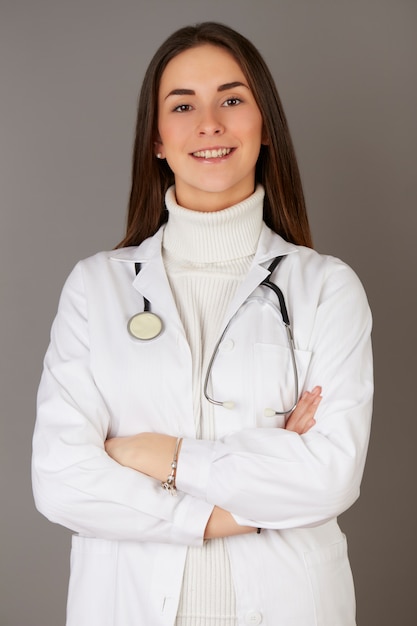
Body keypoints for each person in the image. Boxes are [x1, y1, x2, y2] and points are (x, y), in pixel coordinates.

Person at [32, 22, 373, 626]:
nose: (209, 122)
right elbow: (61, 480)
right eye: (182, 105)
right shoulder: (96, 287)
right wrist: (228, 514)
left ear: (265, 127)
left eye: (232, 100)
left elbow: (328, 477)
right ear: (157, 140)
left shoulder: (326, 288)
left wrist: (157, 455)